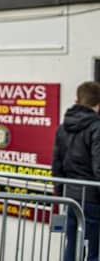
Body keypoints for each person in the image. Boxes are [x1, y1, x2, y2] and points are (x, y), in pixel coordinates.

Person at [52, 81, 100, 261]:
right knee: (94, 252)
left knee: (72, 246)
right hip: (93, 199)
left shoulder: (63, 127)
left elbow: (56, 165)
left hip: (71, 197)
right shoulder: (97, 128)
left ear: (77, 100)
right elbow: (99, 167)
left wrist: (61, 190)